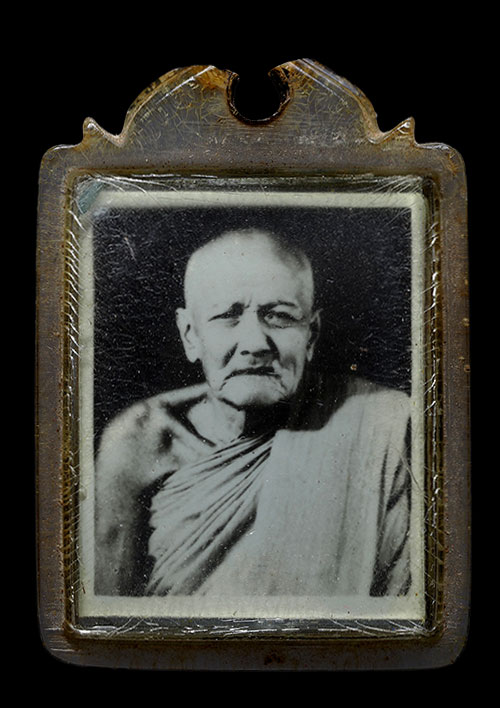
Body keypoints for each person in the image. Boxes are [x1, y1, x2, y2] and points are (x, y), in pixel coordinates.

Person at [94, 228, 412, 598]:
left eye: (279, 316)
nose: (255, 343)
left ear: (311, 335)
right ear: (190, 335)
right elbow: (109, 614)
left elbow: (400, 609)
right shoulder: (139, 441)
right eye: (227, 316)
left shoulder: (381, 425)